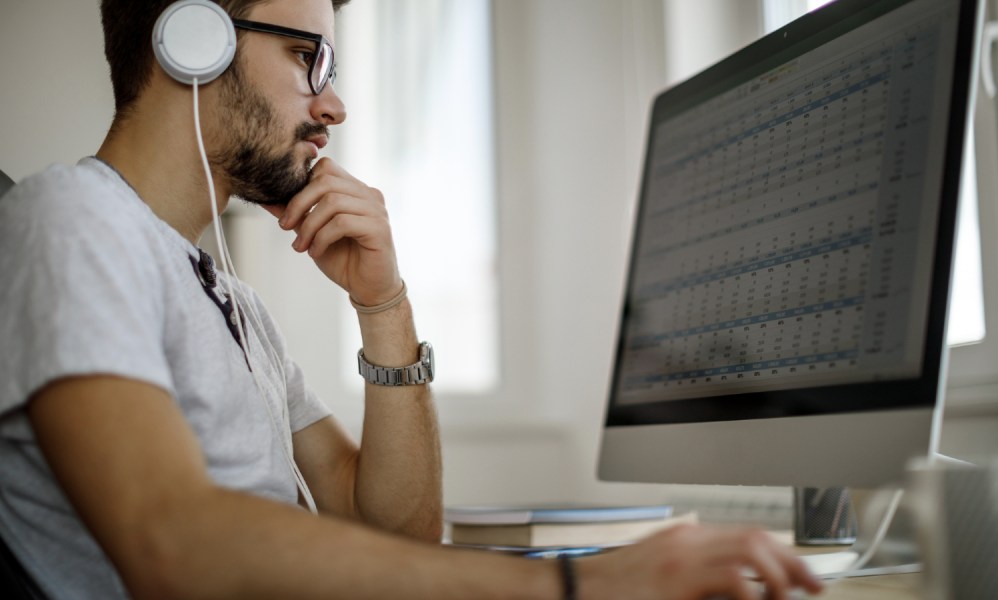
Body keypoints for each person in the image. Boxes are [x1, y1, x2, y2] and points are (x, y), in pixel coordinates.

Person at [0, 0, 825, 598]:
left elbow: (392, 529)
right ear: (192, 42)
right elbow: (172, 542)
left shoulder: (233, 302)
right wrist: (579, 587)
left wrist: (384, 303)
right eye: (306, 58)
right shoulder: (71, 219)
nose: (335, 105)